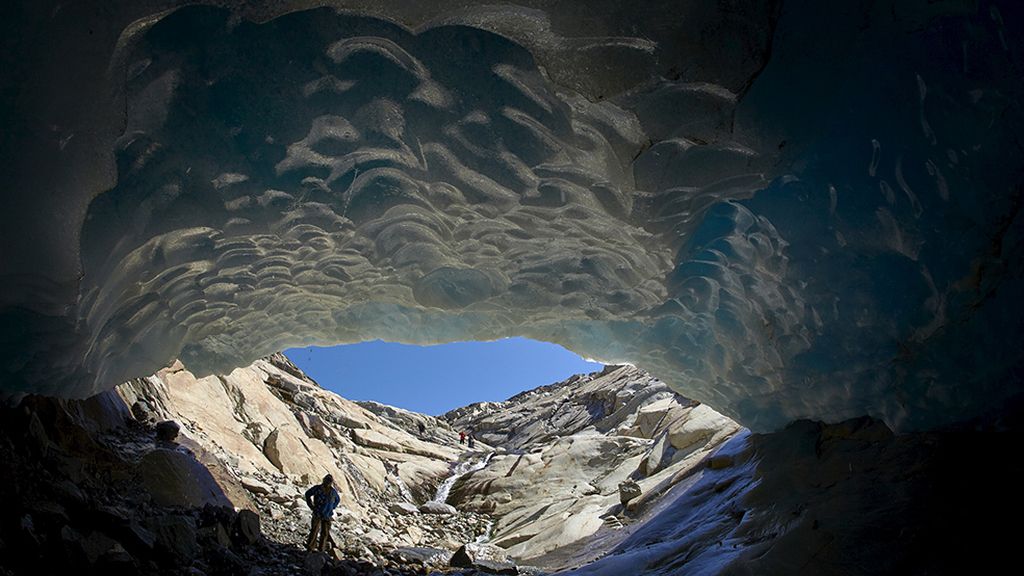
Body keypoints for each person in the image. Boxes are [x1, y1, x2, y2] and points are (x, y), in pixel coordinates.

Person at [304, 474, 341, 552]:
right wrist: (311, 505)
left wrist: (332, 507)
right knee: (315, 531)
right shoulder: (318, 489)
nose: (328, 482)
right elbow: (307, 494)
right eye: (327, 480)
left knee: (324, 533)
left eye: (329, 481)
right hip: (318, 513)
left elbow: (337, 500)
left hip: (326, 515)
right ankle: (310, 548)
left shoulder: (332, 491)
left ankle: (321, 549)